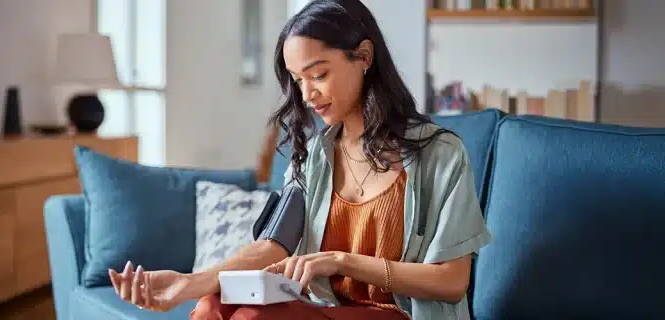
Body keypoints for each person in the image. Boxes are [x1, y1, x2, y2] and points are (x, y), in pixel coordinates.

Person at [107, 0, 491, 319]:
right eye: (296, 80)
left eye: (318, 74)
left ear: (364, 56)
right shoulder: (315, 155)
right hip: (327, 310)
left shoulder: (439, 154)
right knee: (212, 306)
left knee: (254, 318)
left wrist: (341, 261)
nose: (307, 94)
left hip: (401, 314)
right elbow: (274, 247)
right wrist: (188, 283)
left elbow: (451, 281)